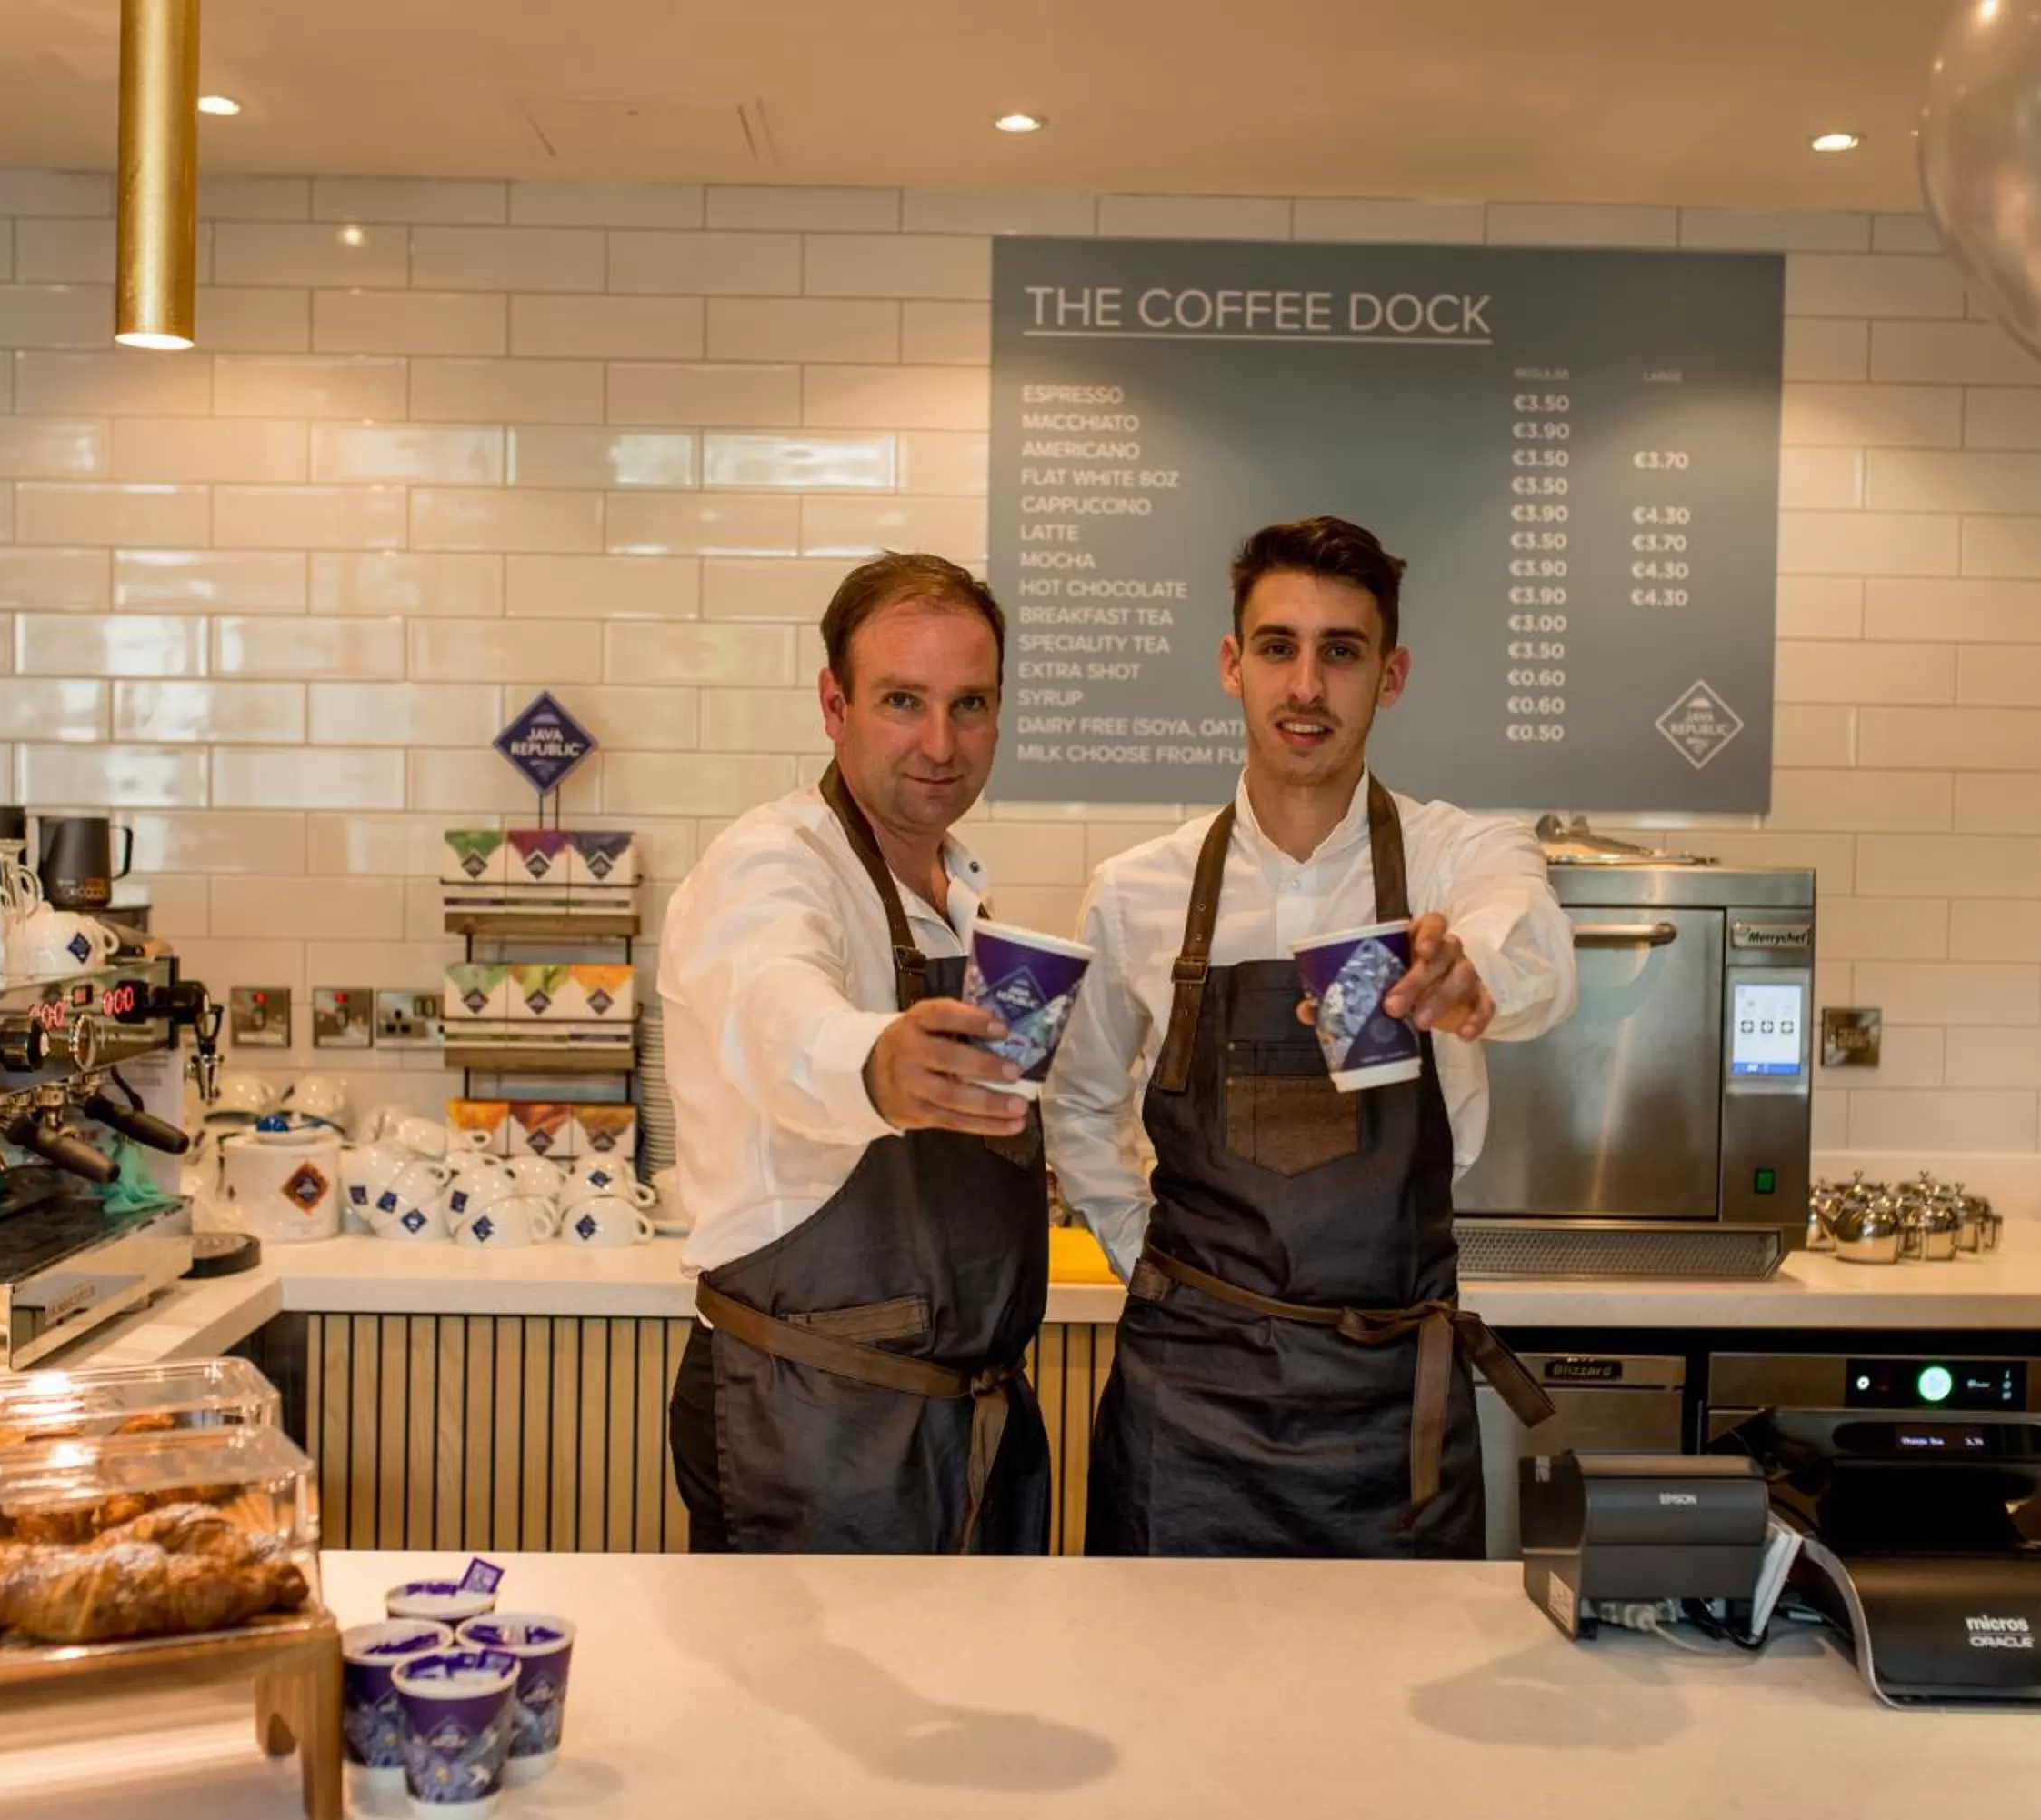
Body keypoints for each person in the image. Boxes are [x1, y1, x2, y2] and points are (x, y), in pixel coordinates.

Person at [1044, 515, 1579, 1558]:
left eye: (1342, 651)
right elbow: (1079, 1103)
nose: (1306, 685)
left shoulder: (1457, 856)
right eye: (1278, 647)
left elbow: (1535, 949)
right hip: (1188, 1396)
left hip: (1391, 1400)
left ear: (1391, 675)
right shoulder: (1137, 893)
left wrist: (1470, 977)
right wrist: (1147, 1264)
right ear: (1231, 664)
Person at [658, 551, 1052, 1555]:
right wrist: (875, 1063)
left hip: (968, 1422)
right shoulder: (771, 863)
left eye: (970, 704)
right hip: (810, 1425)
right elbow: (772, 1004)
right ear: (834, 704)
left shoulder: (959, 893)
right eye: (902, 701)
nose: (940, 742)